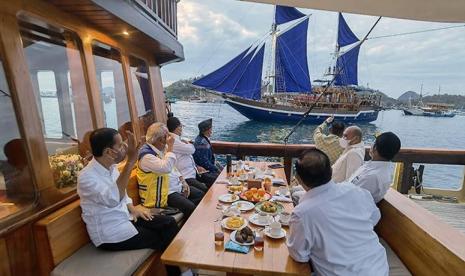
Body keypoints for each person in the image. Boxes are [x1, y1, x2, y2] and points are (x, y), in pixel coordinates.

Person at [77, 128, 180, 276]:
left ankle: (184, 272)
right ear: (108, 152)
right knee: (164, 238)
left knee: (168, 222)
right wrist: (131, 160)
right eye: (120, 145)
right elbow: (113, 199)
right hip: (111, 233)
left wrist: (133, 208)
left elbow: (123, 195)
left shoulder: (111, 168)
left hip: (126, 218)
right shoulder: (86, 177)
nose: (125, 148)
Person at [286, 149, 388, 275]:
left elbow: (299, 255)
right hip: (380, 269)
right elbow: (375, 217)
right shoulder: (354, 190)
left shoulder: (303, 213)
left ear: (299, 180)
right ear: (331, 171)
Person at [138, 123, 204, 219]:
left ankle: (185, 218)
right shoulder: (147, 156)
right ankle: (186, 228)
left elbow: (173, 167)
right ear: (161, 139)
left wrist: (183, 181)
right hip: (165, 194)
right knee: (190, 207)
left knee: (200, 195)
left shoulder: (161, 149)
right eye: (167, 136)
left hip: (175, 187)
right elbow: (166, 167)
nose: (170, 138)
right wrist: (170, 147)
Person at [348, 132, 401, 203]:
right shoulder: (377, 169)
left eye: (373, 143)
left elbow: (350, 198)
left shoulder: (372, 176)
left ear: (375, 148)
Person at [167, 117, 215, 193]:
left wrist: (196, 166)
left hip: (194, 172)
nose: (181, 128)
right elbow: (192, 150)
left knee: (213, 182)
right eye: (181, 126)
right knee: (206, 191)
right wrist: (188, 143)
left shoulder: (177, 140)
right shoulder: (174, 141)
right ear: (177, 128)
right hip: (186, 176)